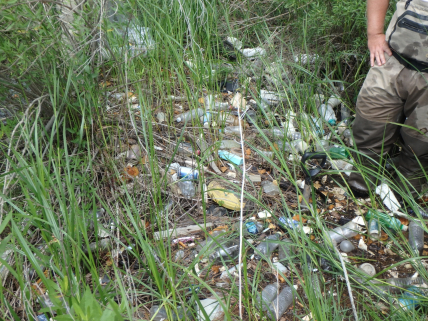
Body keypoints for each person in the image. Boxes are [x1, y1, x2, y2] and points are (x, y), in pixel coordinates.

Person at [348, 0, 428, 198]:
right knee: (369, 127)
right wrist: (374, 34)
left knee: (421, 146)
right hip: (392, 58)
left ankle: (404, 201)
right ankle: (359, 192)